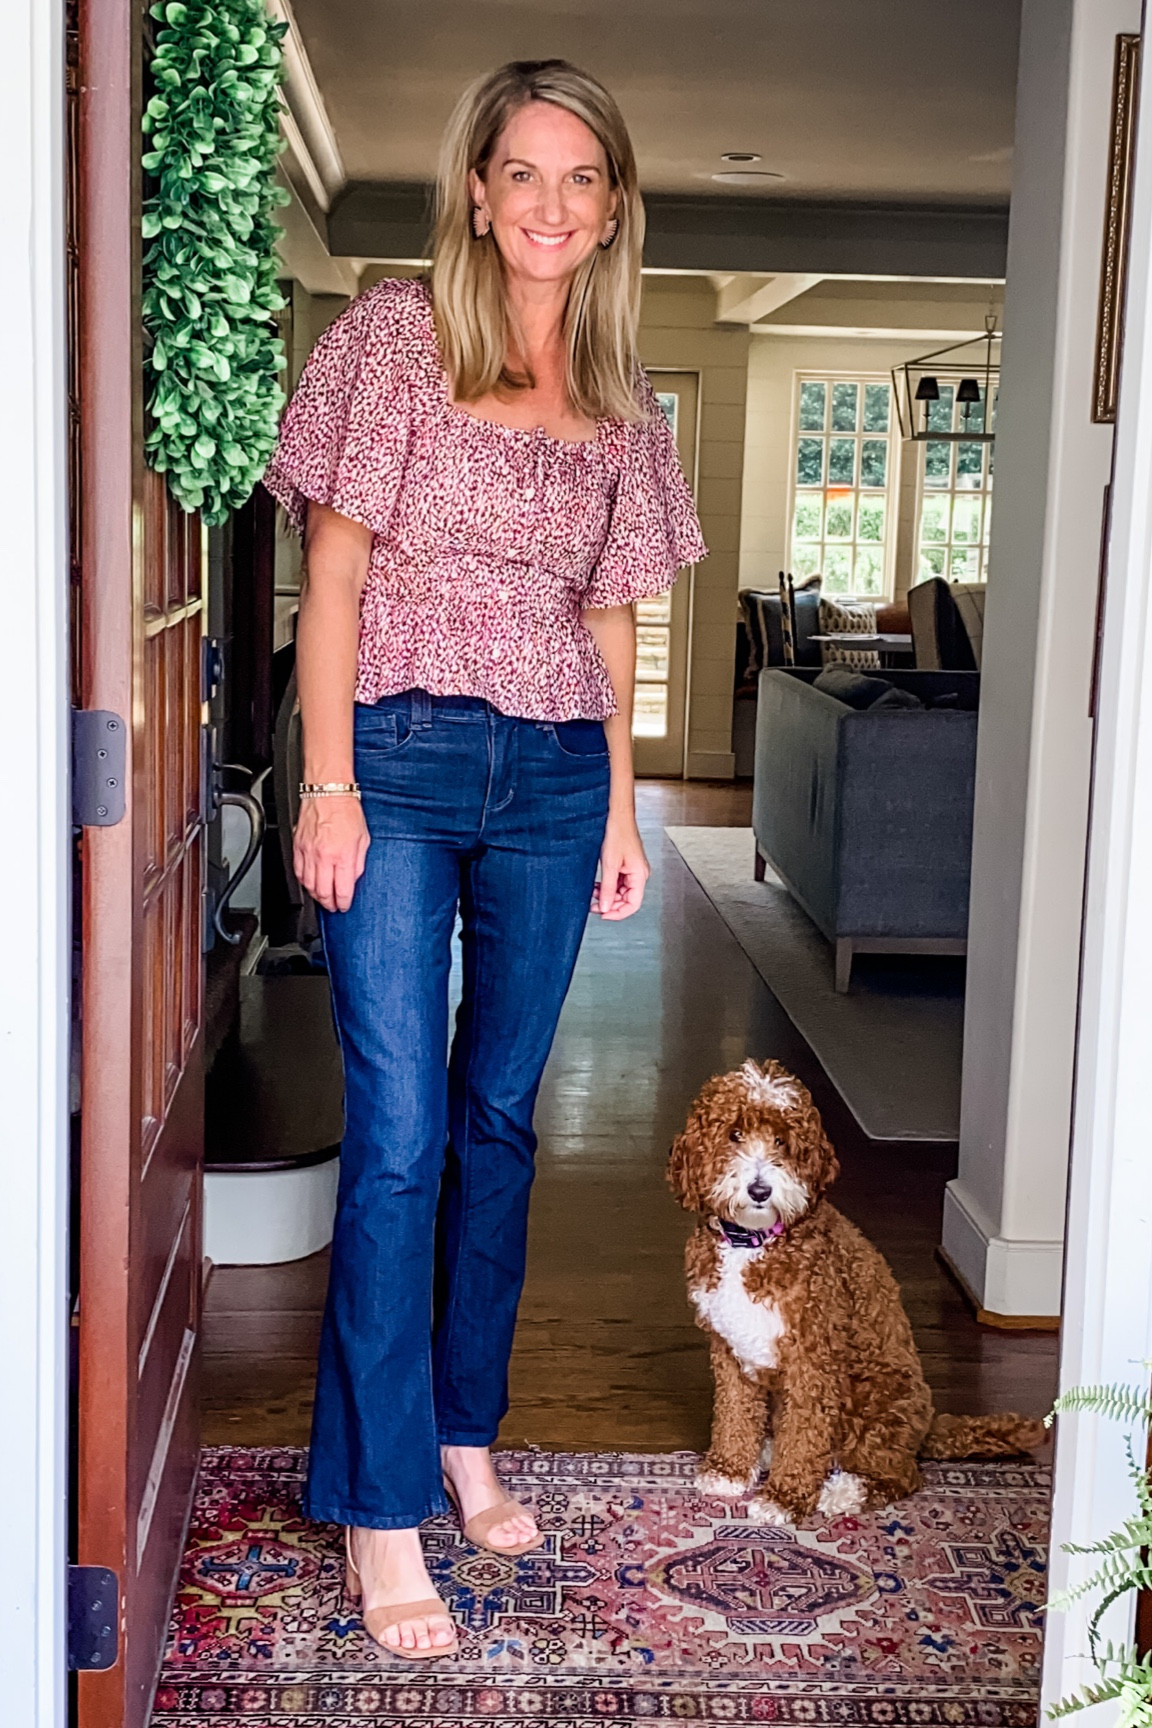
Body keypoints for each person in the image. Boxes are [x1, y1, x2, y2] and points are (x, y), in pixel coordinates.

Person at [263, 56, 706, 1660]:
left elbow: (609, 613)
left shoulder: (625, 392)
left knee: (500, 1121)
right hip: (393, 749)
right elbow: (332, 569)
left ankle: (462, 1432)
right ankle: (384, 1511)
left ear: (612, 211)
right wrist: (325, 784)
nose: (549, 205)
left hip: (547, 779)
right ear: (475, 189)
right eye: (522, 173)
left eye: (581, 180)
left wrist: (618, 803)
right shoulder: (394, 334)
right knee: (395, 1133)